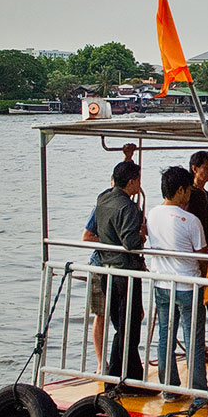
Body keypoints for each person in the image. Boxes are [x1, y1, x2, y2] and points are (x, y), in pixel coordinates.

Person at [146, 166, 208, 395]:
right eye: (188, 190)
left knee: (165, 335)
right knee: (193, 339)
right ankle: (198, 391)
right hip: (188, 284)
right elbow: (203, 256)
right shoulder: (190, 220)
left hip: (162, 283)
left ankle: (169, 388)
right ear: (181, 190)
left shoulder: (152, 214)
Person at [82, 144, 138, 371]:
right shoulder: (107, 204)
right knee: (104, 315)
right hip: (105, 264)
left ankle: (118, 366)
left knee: (123, 319)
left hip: (110, 264)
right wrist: (113, 244)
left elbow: (118, 183)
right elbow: (87, 236)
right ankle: (102, 364)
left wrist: (128, 158)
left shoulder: (108, 200)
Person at [94, 160, 146, 380]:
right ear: (132, 182)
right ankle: (120, 376)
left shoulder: (103, 198)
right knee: (129, 328)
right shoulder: (128, 207)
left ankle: (129, 374)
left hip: (107, 269)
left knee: (121, 325)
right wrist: (142, 233)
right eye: (138, 180)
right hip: (125, 271)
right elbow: (131, 242)